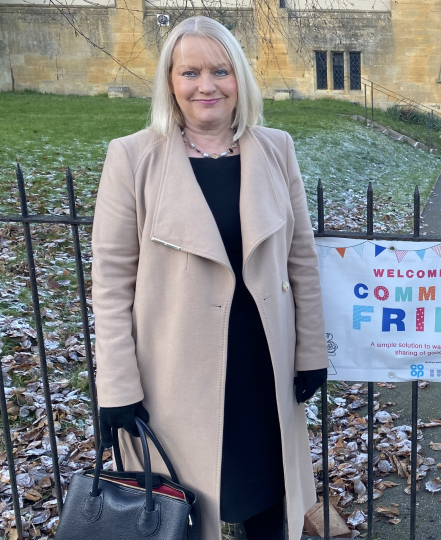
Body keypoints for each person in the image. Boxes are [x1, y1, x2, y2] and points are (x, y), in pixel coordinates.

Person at [91, 16, 328, 540]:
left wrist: (311, 352)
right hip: (174, 376)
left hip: (263, 367)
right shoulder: (132, 158)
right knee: (184, 512)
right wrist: (117, 386)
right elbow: (110, 284)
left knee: (269, 502)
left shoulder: (275, 148)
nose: (206, 85)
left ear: (238, 78)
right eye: (189, 72)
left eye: (220, 70)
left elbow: (301, 259)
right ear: (170, 82)